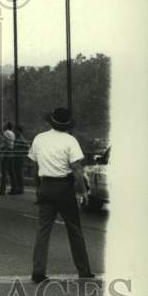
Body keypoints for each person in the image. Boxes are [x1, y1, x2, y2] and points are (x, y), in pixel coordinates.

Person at [27, 107, 95, 283]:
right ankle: (84, 270)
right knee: (74, 230)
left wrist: (38, 187)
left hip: (46, 187)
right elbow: (77, 169)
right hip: (64, 188)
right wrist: (83, 191)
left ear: (51, 121)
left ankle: (38, 271)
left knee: (43, 231)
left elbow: (34, 167)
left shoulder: (39, 139)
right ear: (68, 125)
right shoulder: (70, 141)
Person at [0, 121, 16, 194]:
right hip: (12, 152)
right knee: (11, 171)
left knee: (4, 171)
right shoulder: (13, 133)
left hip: (6, 152)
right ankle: (14, 188)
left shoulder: (5, 133)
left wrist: (2, 153)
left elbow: (4, 143)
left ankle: (2, 190)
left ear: (6, 126)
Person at [12, 125, 29, 195]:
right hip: (15, 158)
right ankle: (17, 188)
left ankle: (20, 189)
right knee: (16, 173)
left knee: (19, 173)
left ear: (20, 131)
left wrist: (21, 153)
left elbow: (26, 148)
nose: (15, 132)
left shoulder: (21, 139)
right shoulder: (16, 138)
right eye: (15, 130)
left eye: (16, 130)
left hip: (19, 158)